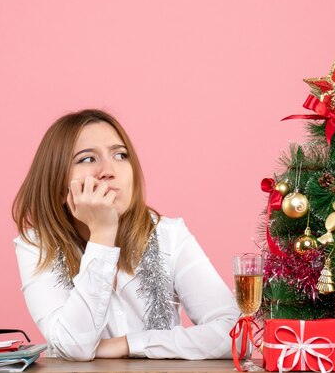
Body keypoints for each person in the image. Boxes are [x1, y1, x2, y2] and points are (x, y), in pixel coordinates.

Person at [12, 109, 240, 361]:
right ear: (57, 187)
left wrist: (129, 344)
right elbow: (74, 346)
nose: (108, 170)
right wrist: (103, 232)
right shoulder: (36, 246)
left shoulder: (169, 235)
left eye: (120, 155)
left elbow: (237, 334)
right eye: (87, 159)